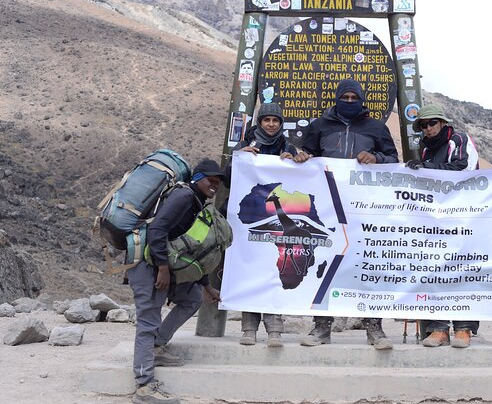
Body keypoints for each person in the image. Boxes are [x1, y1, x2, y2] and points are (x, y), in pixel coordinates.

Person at [293, 78, 398, 350]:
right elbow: (306, 157)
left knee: (368, 264)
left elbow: (393, 161)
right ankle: (321, 328)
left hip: (365, 210)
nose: (349, 102)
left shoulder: (376, 128)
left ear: (362, 100)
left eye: (354, 98)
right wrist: (302, 158)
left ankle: (375, 329)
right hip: (327, 207)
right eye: (345, 97)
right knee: (326, 263)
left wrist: (377, 159)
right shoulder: (319, 126)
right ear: (337, 98)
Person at [127, 158, 223, 404]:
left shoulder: (198, 202)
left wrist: (206, 286)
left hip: (164, 265)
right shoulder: (183, 197)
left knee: (192, 299)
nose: (214, 184)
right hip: (149, 265)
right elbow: (158, 230)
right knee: (148, 321)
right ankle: (144, 386)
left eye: (218, 180)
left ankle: (157, 347)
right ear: (197, 177)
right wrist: (162, 269)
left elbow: (191, 250)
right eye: (210, 179)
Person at [405, 104, 480, 349]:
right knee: (434, 271)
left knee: (461, 272)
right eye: (424, 125)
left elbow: (462, 171)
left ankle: (463, 328)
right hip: (435, 221)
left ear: (443, 122)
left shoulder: (459, 140)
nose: (428, 128)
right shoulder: (426, 149)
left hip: (462, 217)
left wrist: (427, 169)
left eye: (432, 123)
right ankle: (439, 329)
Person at [223, 102, 296, 347]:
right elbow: (227, 178)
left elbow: (300, 179)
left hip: (277, 221)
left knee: (276, 270)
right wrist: (240, 159)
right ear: (260, 122)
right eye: (267, 120)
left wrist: (292, 161)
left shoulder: (288, 147)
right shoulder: (245, 146)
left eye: (276, 120)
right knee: (249, 271)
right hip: (249, 222)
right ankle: (248, 328)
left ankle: (275, 329)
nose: (272, 125)